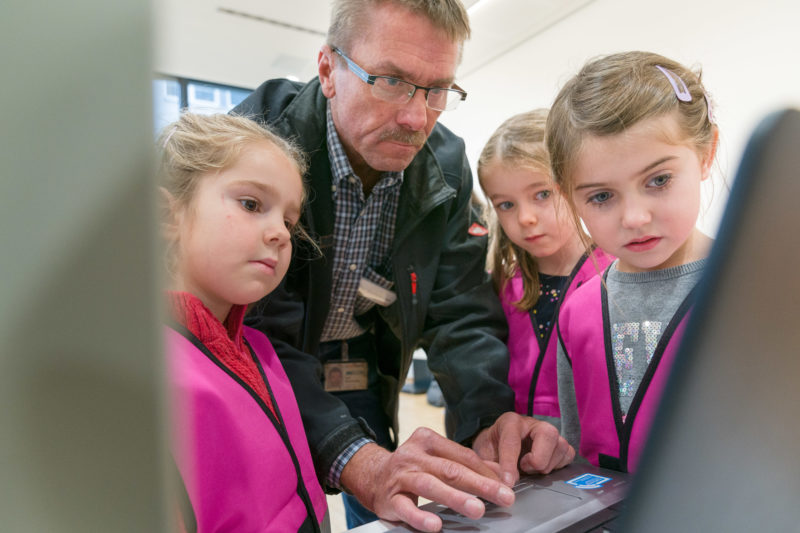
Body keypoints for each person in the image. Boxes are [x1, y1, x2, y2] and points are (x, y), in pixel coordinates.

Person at [233, 1, 574, 530]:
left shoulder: (444, 162)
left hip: (367, 359)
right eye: (390, 80)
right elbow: (249, 331)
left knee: (384, 501)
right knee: (288, 503)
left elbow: (461, 313)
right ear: (328, 70)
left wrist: (487, 422)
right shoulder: (259, 141)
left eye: (438, 89)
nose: (417, 118)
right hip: (268, 364)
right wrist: (359, 462)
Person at [547, 51, 720, 472]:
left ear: (705, 154)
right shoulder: (577, 312)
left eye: (658, 181)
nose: (635, 218)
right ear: (569, 195)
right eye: (601, 197)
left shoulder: (757, 288)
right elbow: (578, 452)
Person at [158, 113, 327, 532]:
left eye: (289, 221)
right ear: (167, 215)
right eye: (251, 204)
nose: (282, 234)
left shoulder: (261, 350)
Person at [477, 108, 613, 426]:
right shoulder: (502, 285)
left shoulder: (614, 279)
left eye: (542, 194)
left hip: (594, 454)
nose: (525, 218)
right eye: (506, 205)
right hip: (518, 452)